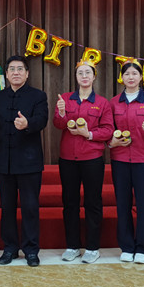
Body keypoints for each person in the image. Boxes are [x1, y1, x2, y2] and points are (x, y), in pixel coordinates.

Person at [0, 55, 48, 267]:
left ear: (27, 73)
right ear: (6, 74)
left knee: (30, 207)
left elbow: (42, 119)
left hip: (29, 162)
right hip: (4, 161)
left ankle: (31, 250)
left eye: (20, 69)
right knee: (7, 207)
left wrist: (28, 123)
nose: (16, 72)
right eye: (12, 69)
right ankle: (10, 248)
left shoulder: (38, 96)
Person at [53, 60, 114, 264]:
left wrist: (88, 134)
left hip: (92, 159)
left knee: (92, 202)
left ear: (94, 76)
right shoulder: (65, 99)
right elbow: (58, 124)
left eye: (88, 72)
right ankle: (72, 246)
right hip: (68, 159)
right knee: (70, 203)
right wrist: (62, 112)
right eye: (80, 73)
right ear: (76, 77)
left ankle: (92, 247)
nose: (84, 76)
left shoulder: (102, 103)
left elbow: (108, 130)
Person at [108, 60, 144, 264]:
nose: (131, 77)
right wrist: (111, 141)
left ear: (141, 77)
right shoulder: (114, 102)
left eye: (134, 74)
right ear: (122, 78)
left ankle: (142, 248)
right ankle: (127, 247)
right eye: (127, 74)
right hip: (120, 159)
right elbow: (108, 129)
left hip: (143, 159)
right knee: (123, 204)